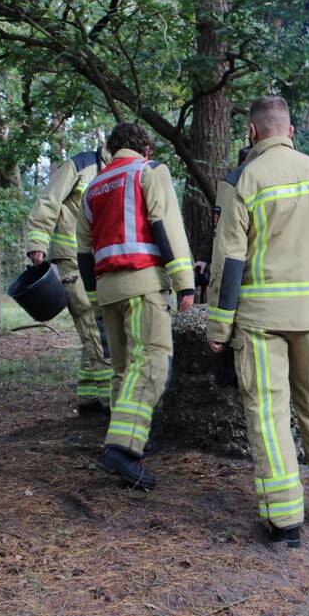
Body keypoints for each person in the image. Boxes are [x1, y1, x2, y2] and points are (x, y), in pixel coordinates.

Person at [206, 96, 309, 548]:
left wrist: (218, 329)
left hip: (260, 320)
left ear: (253, 134)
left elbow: (229, 262)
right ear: (290, 131)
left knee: (270, 414)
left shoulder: (242, 180)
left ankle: (284, 521)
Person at [76, 122, 195, 489]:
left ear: (112, 150)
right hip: (143, 284)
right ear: (145, 149)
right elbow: (166, 225)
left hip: (108, 290)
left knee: (122, 369)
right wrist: (184, 281)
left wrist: (95, 297)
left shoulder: (93, 186)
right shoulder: (148, 171)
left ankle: (125, 442)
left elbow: (83, 252)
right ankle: (123, 448)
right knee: (153, 361)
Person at [24, 145, 113, 416]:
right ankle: (113, 403)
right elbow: (48, 201)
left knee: (94, 326)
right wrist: (38, 240)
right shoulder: (80, 165)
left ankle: (89, 399)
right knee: (95, 328)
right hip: (71, 260)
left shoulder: (120, 170)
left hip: (98, 261)